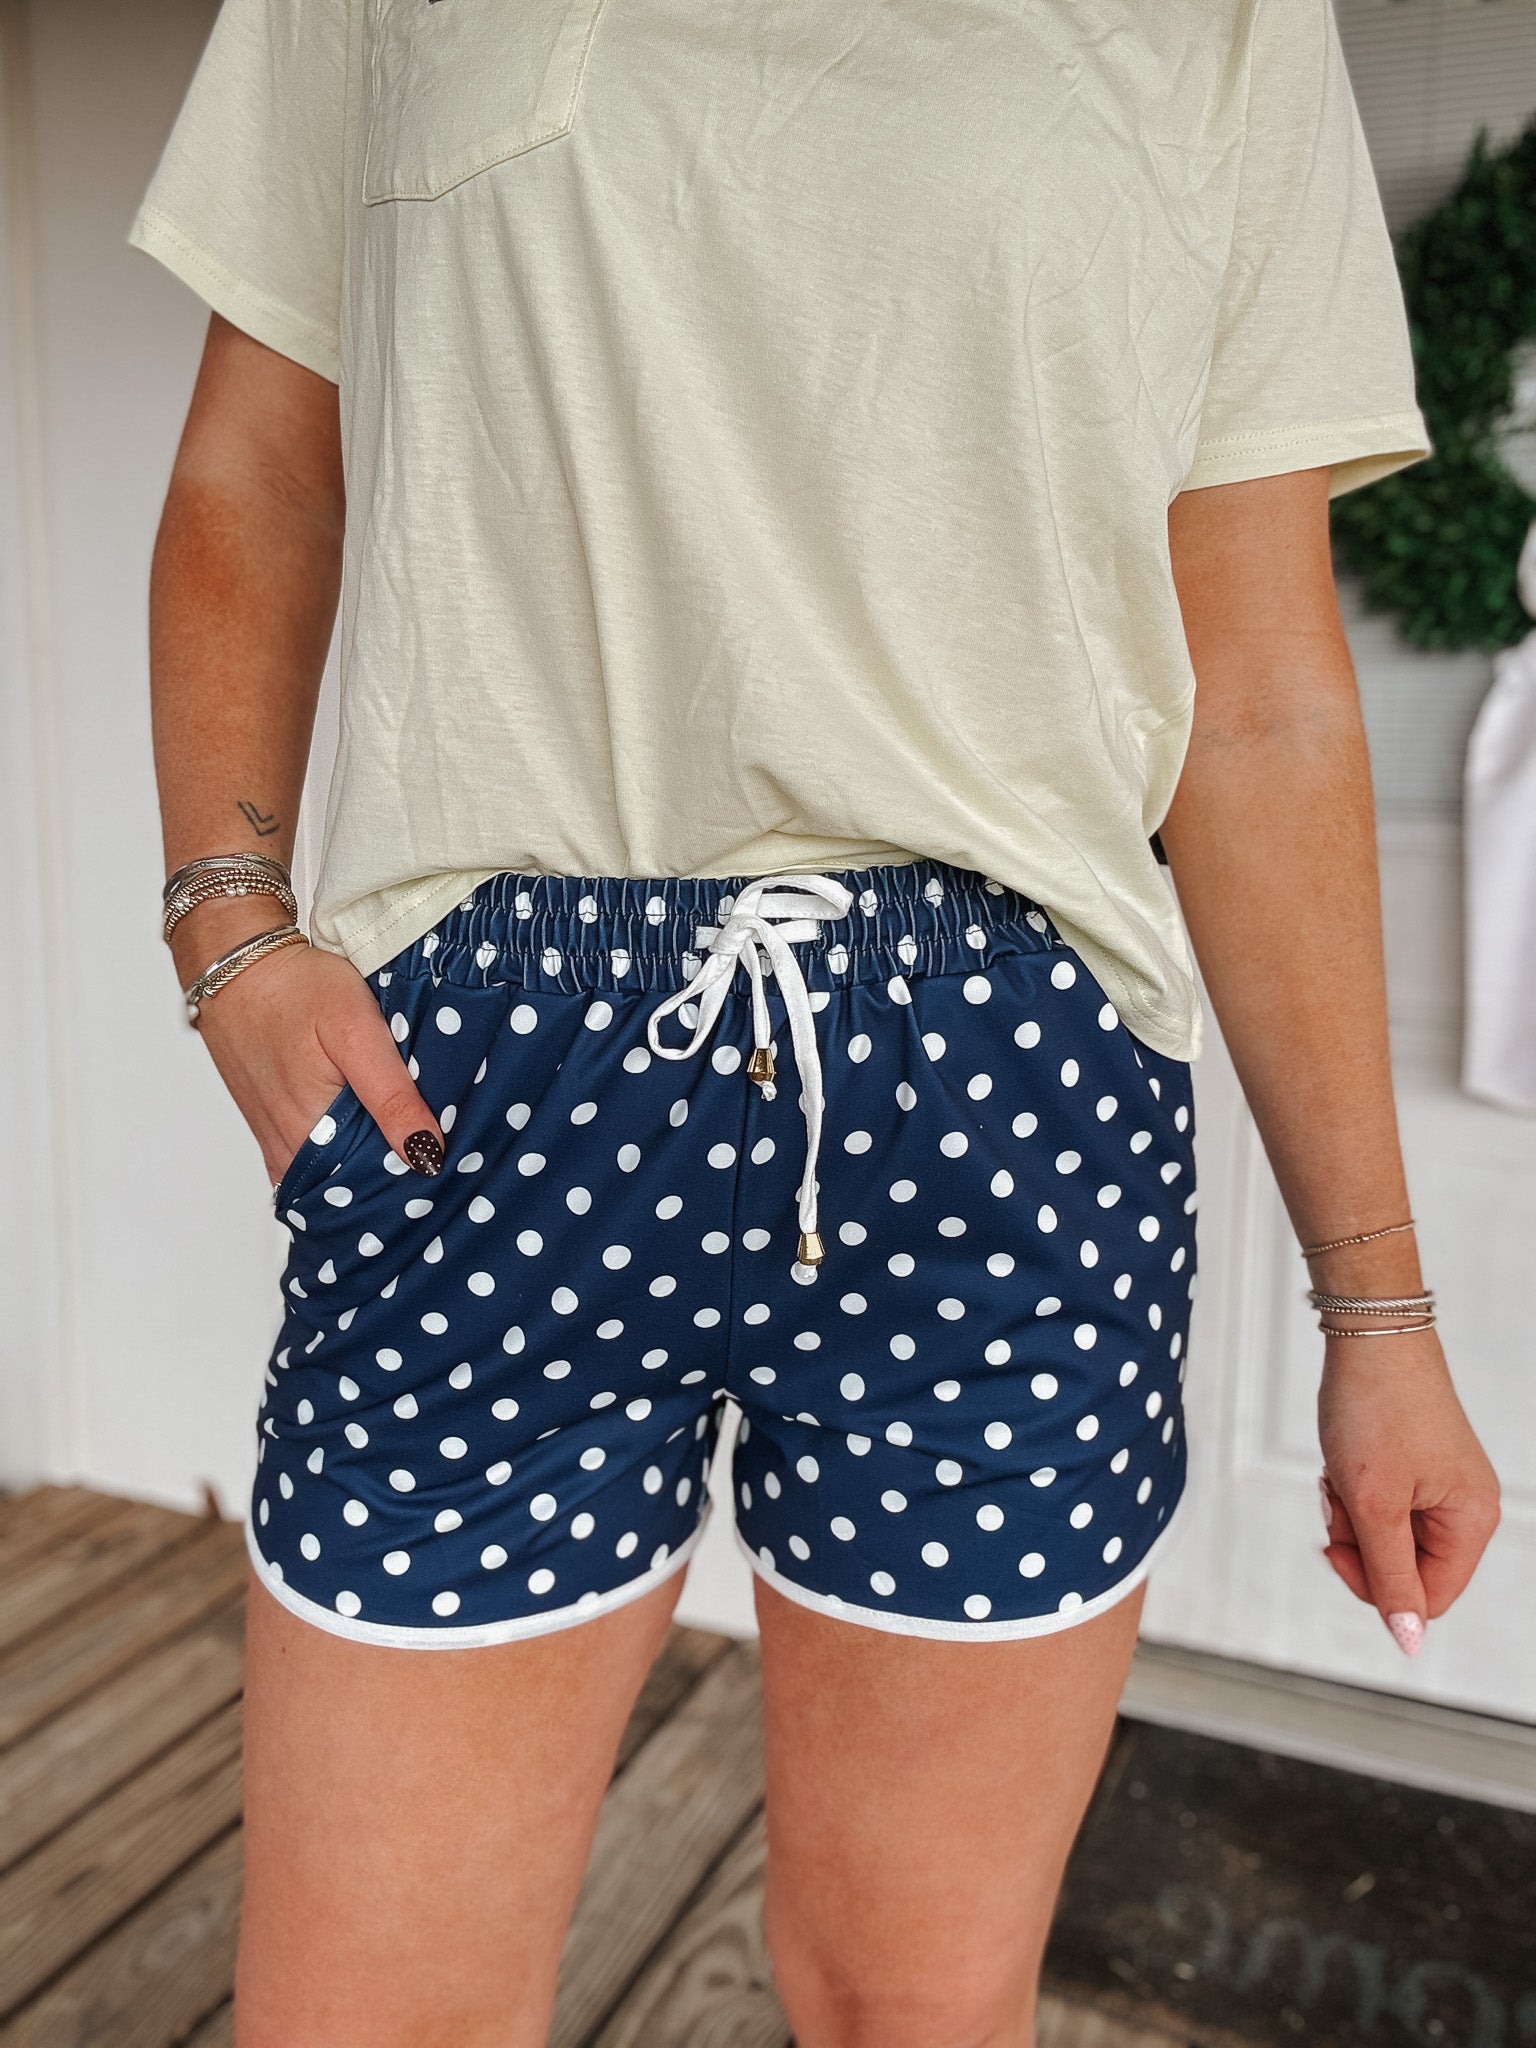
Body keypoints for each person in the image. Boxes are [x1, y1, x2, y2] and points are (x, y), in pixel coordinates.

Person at [132, 0, 1501, 2041]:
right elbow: (260, 465)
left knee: (915, 2005)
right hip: (486, 1093)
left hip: (1007, 1109)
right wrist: (230, 935)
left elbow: (1263, 682)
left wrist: (1379, 1312)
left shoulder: (1225, 22)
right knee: (366, 2013)